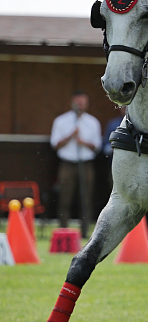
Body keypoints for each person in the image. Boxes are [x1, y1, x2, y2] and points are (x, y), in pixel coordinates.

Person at [50, 91, 102, 237]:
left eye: (83, 103)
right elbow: (55, 144)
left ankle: (85, 233)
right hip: (67, 164)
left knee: (86, 199)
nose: (80, 106)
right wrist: (70, 136)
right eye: (77, 103)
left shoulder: (93, 122)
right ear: (71, 103)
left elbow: (97, 146)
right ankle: (63, 232)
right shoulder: (61, 121)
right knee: (64, 198)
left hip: (86, 164)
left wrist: (82, 142)